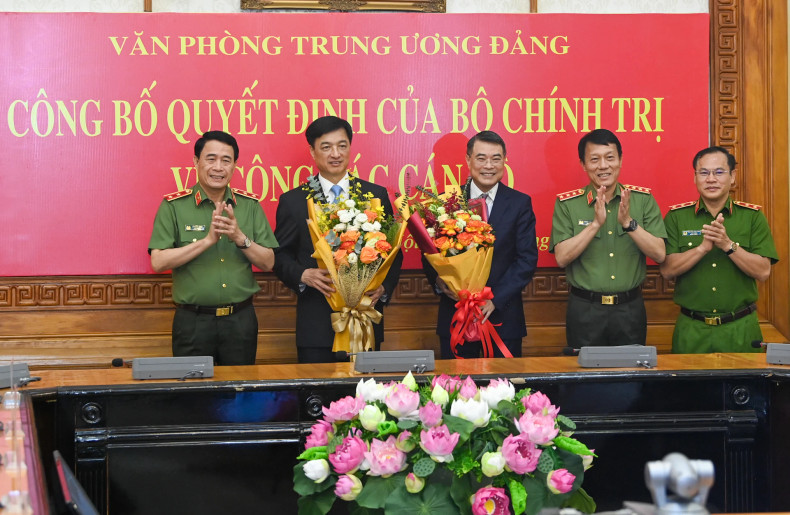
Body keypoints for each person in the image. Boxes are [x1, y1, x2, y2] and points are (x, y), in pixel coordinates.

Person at [273, 116, 403, 363]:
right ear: (312, 151)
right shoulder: (294, 201)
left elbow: (393, 251)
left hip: (365, 322)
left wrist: (385, 288)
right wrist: (302, 275)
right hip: (317, 327)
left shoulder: (374, 196)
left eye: (342, 146)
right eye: (326, 147)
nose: (335, 153)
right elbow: (279, 255)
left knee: (367, 399)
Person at [148, 130, 278, 365]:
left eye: (226, 160)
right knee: (194, 398)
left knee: (240, 395)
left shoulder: (249, 206)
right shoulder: (174, 206)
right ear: (196, 161)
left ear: (235, 165)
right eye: (211, 159)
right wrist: (207, 241)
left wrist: (239, 237)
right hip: (193, 322)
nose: (218, 167)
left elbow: (268, 262)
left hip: (240, 321)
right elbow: (158, 262)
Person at [424, 131, 538, 359]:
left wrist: (494, 299)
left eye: (496, 158)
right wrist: (439, 281)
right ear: (468, 160)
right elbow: (429, 251)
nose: (489, 165)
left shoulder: (519, 203)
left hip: (502, 318)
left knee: (504, 392)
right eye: (481, 158)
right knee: (455, 392)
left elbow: (526, 259)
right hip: (455, 314)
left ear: (505, 161)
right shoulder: (446, 202)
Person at [549, 128, 666, 348]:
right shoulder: (568, 204)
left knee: (630, 378)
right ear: (583, 164)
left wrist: (629, 224)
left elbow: (660, 254)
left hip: (630, 309)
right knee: (584, 379)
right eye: (594, 159)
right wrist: (595, 225)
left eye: (610, 157)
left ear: (620, 160)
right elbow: (562, 258)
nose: (603, 166)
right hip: (585, 310)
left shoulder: (642, 200)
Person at [660, 146, 778, 353]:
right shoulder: (676, 217)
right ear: (695, 177)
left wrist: (728, 245)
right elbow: (667, 271)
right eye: (704, 173)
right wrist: (702, 249)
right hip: (692, 330)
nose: (711, 179)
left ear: (732, 177)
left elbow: (763, 271)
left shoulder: (752, 217)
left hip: (740, 329)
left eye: (719, 172)